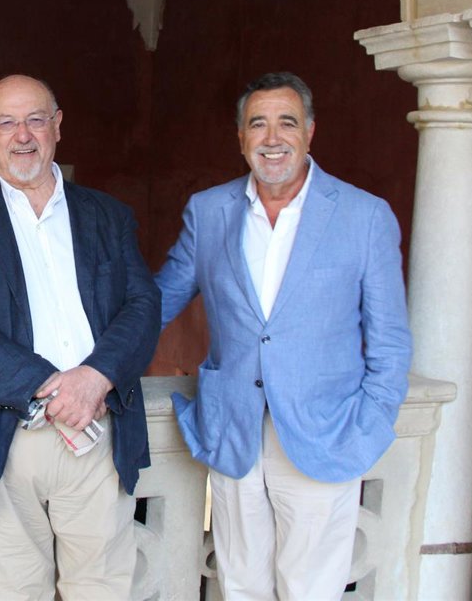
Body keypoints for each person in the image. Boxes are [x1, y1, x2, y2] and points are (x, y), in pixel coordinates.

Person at [155, 72, 412, 600]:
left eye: (287, 123)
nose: (272, 138)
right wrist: (84, 357)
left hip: (326, 434)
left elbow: (390, 340)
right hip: (235, 431)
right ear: (241, 137)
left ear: (310, 132)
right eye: (258, 124)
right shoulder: (209, 211)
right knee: (240, 585)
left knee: (310, 589)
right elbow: (157, 303)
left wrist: (368, 425)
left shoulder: (364, 217)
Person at [0, 74, 161, 600]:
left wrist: (95, 378)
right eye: (6, 122)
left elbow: (143, 306)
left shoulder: (108, 216)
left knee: (102, 590)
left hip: (98, 433)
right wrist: (50, 386)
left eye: (35, 120)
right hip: (1, 437)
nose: (22, 135)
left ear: (57, 126)